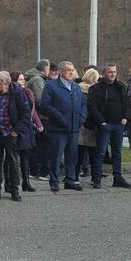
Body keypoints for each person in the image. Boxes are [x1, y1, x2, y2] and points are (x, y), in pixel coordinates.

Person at [39, 61, 87, 192]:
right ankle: (54, 181)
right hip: (58, 128)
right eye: (68, 70)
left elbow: (83, 104)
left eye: (72, 70)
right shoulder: (51, 86)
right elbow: (45, 105)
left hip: (74, 128)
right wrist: (59, 117)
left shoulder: (76, 87)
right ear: (61, 72)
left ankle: (70, 180)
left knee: (72, 156)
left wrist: (82, 117)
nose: (71, 72)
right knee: (56, 155)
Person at [0, 71, 31, 201]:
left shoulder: (18, 94)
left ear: (4, 83)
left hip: (11, 134)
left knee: (13, 162)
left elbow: (25, 115)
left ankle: (15, 189)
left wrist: (16, 131)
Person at [87, 63, 131, 189]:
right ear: (103, 73)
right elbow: (92, 107)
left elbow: (127, 103)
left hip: (119, 124)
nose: (112, 74)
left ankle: (118, 177)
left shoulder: (121, 87)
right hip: (104, 125)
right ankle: (96, 178)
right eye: (109, 72)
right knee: (100, 152)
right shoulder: (95, 89)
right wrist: (101, 122)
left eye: (114, 72)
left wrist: (125, 117)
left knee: (117, 152)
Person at [10, 71, 42, 193]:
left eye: (23, 79)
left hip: (26, 128)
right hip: (15, 128)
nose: (22, 82)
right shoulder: (11, 94)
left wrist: (38, 124)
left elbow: (32, 111)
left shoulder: (28, 93)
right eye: (20, 80)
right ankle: (12, 183)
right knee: (12, 159)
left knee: (25, 157)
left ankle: (26, 182)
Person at [76, 68, 100, 179]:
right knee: (92, 151)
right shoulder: (95, 90)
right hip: (90, 123)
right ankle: (91, 173)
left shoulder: (77, 88)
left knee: (80, 151)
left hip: (80, 123)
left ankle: (76, 173)